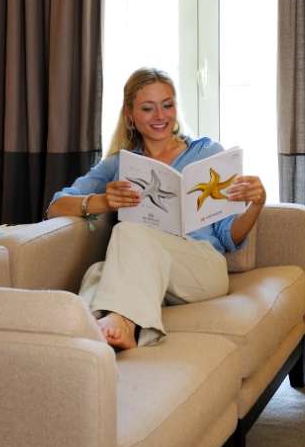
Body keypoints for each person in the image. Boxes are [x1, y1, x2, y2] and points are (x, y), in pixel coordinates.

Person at [48, 67, 266, 351]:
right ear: (130, 115)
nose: (161, 116)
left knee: (127, 232)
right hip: (155, 274)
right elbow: (56, 206)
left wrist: (256, 205)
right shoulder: (119, 164)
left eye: (167, 105)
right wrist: (102, 201)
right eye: (148, 108)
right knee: (98, 272)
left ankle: (119, 322)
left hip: (201, 268)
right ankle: (96, 339)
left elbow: (229, 237)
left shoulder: (207, 153)